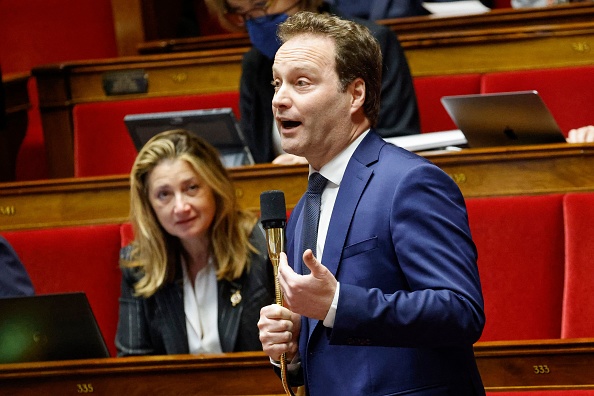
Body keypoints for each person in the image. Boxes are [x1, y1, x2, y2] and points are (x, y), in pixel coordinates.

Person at [257, 11, 486, 395]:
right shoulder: (303, 212)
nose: (280, 99)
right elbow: (331, 348)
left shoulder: (409, 182)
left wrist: (337, 303)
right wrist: (294, 347)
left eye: (301, 83)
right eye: (277, 84)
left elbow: (459, 311)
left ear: (355, 94)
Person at [115, 129, 275, 356]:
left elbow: (291, 353)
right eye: (164, 194)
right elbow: (134, 363)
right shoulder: (139, 264)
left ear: (214, 187)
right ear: (149, 205)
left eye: (192, 188)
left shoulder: (261, 247)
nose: (180, 207)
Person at [204, 0, 420, 165]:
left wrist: (322, 162)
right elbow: (253, 155)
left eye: (261, 4)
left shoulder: (372, 44)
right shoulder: (256, 64)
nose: (255, 18)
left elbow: (399, 138)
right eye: (241, 12)